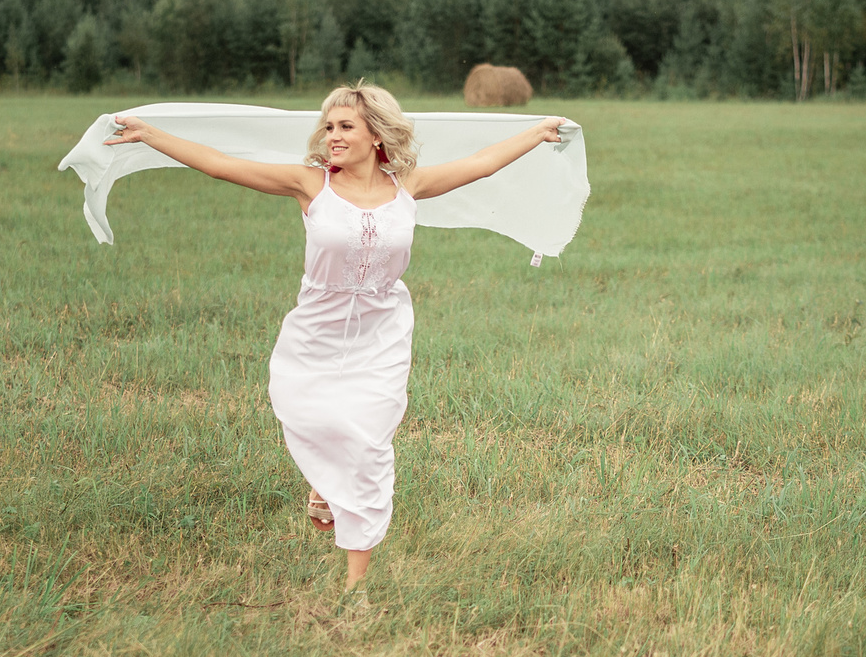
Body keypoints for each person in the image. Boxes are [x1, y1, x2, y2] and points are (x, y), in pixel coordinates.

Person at [102, 83, 567, 594]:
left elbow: (481, 163)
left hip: (383, 331)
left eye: (345, 127)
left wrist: (536, 133)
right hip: (315, 331)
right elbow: (219, 163)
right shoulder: (310, 184)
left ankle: (356, 585)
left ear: (376, 134)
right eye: (329, 127)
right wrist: (151, 136)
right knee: (308, 414)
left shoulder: (407, 186)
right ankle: (324, 482)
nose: (333, 137)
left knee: (368, 445)